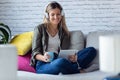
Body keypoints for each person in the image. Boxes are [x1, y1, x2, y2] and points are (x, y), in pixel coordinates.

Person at [30, 1, 97, 75]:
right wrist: (44, 58)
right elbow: (35, 53)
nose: (56, 17)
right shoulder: (39, 29)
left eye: (58, 14)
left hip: (59, 59)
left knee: (91, 50)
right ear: (47, 15)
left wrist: (73, 57)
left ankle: (70, 67)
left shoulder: (64, 32)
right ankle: (79, 70)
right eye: (52, 14)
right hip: (44, 64)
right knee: (61, 63)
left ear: (61, 15)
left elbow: (64, 53)